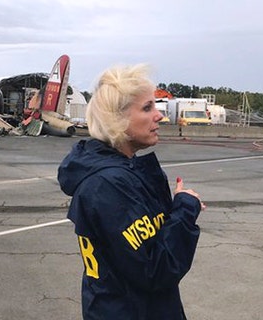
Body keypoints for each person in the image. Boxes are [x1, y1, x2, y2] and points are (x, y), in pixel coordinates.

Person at [57, 64, 205, 320]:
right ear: (117, 118)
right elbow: (155, 270)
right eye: (147, 108)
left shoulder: (121, 172)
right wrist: (184, 210)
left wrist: (177, 205)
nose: (158, 115)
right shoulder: (108, 185)